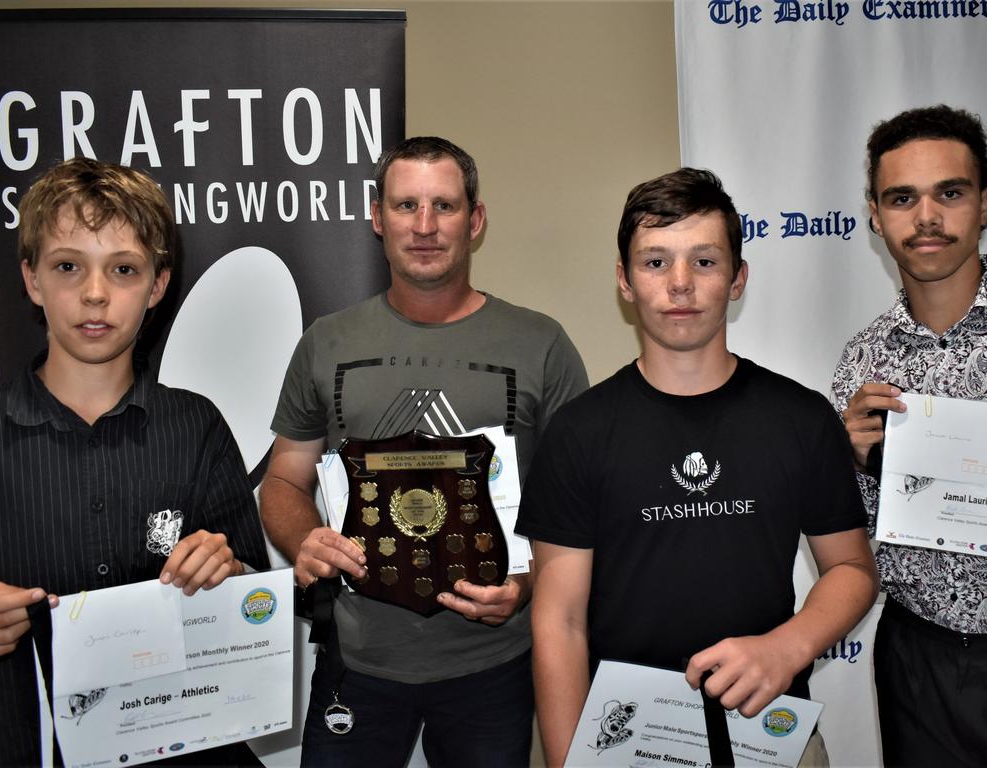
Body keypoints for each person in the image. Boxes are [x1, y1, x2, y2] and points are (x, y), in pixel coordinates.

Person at [517, 167, 879, 767]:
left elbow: (852, 570)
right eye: (655, 262)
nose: (680, 285)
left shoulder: (799, 417)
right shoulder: (580, 431)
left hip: (769, 726)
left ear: (738, 279)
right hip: (628, 738)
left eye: (704, 262)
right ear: (624, 281)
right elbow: (560, 622)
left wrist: (786, 649)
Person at [260, 135, 588, 766]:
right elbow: (283, 482)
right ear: (377, 217)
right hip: (356, 660)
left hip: (495, 665)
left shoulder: (541, 344)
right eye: (407, 206)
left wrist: (524, 582)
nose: (426, 226)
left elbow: (575, 509)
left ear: (477, 218)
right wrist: (304, 538)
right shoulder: (326, 342)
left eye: (445, 205)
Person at [0, 157, 270, 767]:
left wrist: (228, 572)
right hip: (32, 747)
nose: (95, 293)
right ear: (31, 279)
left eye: (123, 269)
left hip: (189, 748)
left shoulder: (196, 425)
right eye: (68, 266)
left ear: (157, 286)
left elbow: (256, 606)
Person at [831, 104, 987, 766]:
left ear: (983, 204)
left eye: (948, 193)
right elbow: (852, 544)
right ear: (875, 215)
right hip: (918, 657)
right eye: (902, 198)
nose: (926, 217)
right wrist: (852, 462)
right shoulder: (861, 362)